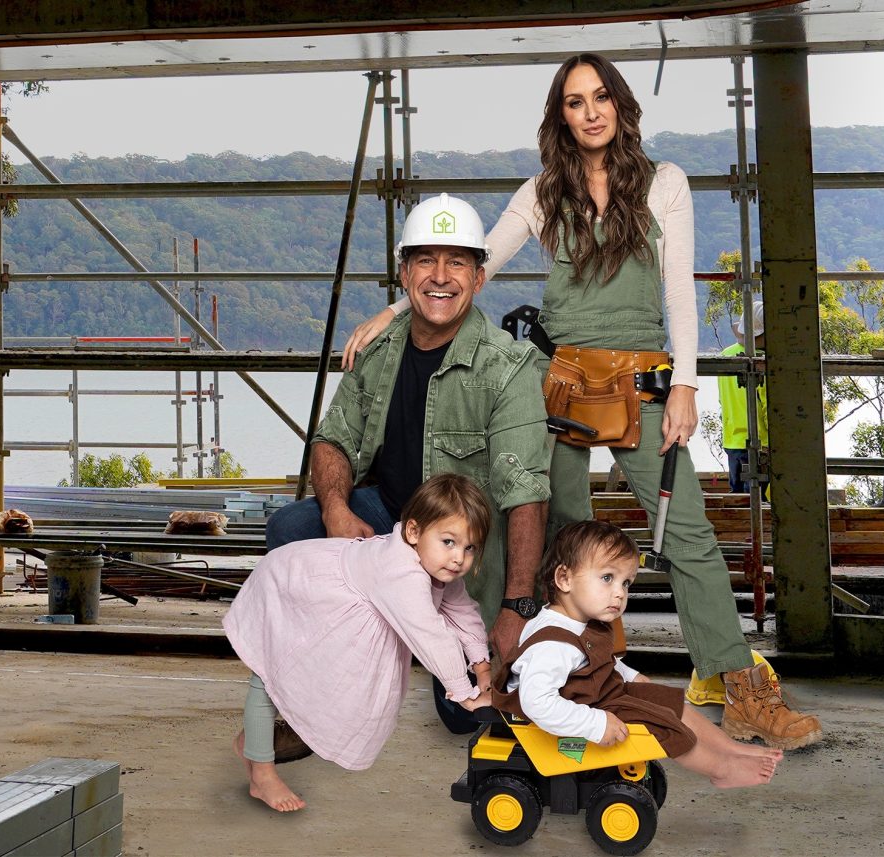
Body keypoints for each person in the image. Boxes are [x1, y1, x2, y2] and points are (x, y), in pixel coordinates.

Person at [340, 54, 821, 749]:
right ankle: (565, 678)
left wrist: (685, 384)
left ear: (620, 106)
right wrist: (394, 311)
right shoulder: (540, 193)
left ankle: (739, 688)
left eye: (600, 97)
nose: (590, 111)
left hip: (643, 381)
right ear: (560, 115)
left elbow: (680, 291)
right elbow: (477, 263)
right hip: (558, 383)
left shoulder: (666, 183)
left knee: (688, 537)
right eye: (574, 101)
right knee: (560, 539)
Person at [266, 193, 552, 732]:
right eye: (425, 260)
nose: (440, 276)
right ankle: (342, 667)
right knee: (292, 530)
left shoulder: (508, 368)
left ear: (479, 277)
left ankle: (423, 627)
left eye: (457, 262)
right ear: (404, 273)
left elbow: (527, 494)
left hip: (463, 557)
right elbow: (331, 441)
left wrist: (517, 605)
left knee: (466, 715)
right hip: (392, 529)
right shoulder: (379, 351)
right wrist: (333, 510)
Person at [224, 474, 496, 812]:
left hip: (333, 615)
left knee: (309, 681)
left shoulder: (438, 565)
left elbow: (463, 612)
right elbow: (430, 634)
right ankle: (261, 774)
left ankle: (254, 741)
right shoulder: (400, 571)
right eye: (449, 542)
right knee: (270, 674)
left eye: (469, 548)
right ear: (413, 532)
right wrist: (464, 692)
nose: (459, 558)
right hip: (291, 587)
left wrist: (483, 670)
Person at [492, 521, 783, 789]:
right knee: (661, 724)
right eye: (607, 578)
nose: (619, 593)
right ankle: (720, 770)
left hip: (595, 693)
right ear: (564, 578)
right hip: (578, 709)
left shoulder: (581, 620)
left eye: (625, 583)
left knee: (672, 703)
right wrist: (596, 723)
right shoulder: (552, 644)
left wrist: (631, 676)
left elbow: (598, 660)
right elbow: (536, 702)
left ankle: (729, 747)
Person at [717, 301, 769, 494]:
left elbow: (723, 400)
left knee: (738, 502)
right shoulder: (762, 363)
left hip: (732, 441)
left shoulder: (725, 355)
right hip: (759, 445)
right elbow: (768, 409)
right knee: (758, 503)